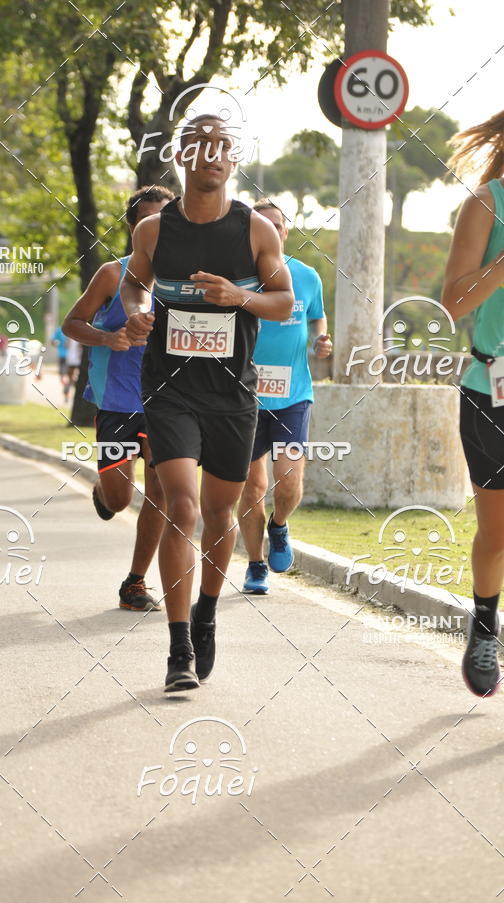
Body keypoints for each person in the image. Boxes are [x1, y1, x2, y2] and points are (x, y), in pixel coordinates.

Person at [121, 115, 294, 691]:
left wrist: (239, 295)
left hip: (231, 393)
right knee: (181, 507)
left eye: (223, 148)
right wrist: (135, 309)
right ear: (183, 156)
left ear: (232, 158)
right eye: (200, 147)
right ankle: (177, 651)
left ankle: (207, 615)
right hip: (169, 389)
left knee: (221, 513)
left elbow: (284, 303)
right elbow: (132, 282)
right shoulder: (152, 229)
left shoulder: (254, 231)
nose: (212, 157)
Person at [63, 185, 174, 611]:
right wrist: (108, 338)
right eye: (147, 222)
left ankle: (135, 583)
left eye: (164, 222)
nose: (156, 230)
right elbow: (72, 323)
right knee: (120, 499)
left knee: (161, 491)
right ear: (133, 229)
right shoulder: (113, 273)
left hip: (167, 402)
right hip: (118, 401)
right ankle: (103, 491)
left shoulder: (188, 279)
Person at [237, 199, 332, 593]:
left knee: (289, 480)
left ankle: (279, 526)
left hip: (293, 394)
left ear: (286, 232)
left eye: (278, 225)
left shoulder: (306, 275)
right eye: (263, 225)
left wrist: (321, 342)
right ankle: (256, 564)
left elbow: (317, 318)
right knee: (252, 487)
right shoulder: (237, 277)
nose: (272, 231)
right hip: (243, 396)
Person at [442, 109, 504, 697]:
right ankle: (485, 623)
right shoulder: (488, 203)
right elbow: (453, 302)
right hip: (493, 390)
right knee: (497, 532)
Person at [51, 324, 69, 400]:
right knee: (66, 376)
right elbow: (52, 341)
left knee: (64, 376)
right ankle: (66, 391)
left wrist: (55, 343)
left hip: (66, 357)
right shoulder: (61, 330)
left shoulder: (59, 330)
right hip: (66, 356)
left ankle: (66, 392)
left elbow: (52, 341)